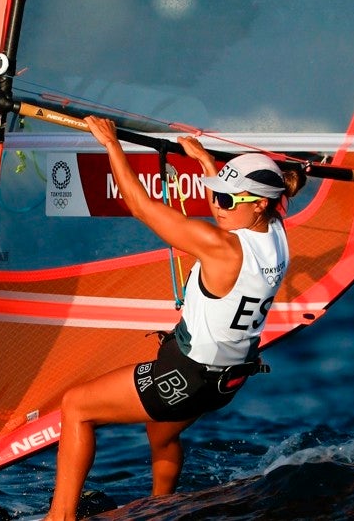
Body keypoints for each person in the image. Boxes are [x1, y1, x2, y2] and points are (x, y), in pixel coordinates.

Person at [45, 115, 303, 520]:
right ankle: (161, 507)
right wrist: (205, 163)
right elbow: (243, 203)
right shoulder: (279, 237)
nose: (216, 205)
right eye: (215, 194)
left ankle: (58, 518)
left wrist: (111, 143)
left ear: (260, 204)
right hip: (228, 381)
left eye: (226, 199)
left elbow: (140, 207)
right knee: (161, 432)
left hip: (186, 374)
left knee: (76, 406)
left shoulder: (222, 246)